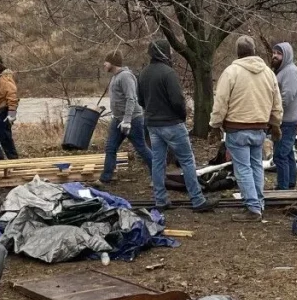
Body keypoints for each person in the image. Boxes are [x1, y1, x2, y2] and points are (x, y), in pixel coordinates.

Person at [137, 39, 218, 212]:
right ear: (165, 53)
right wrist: (181, 116)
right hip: (172, 123)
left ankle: (160, 200)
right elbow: (177, 100)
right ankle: (197, 200)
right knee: (187, 160)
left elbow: (140, 100)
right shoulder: (168, 73)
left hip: (153, 125)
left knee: (158, 162)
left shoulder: (143, 74)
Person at [210, 36, 283, 222]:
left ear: (238, 52)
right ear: (254, 50)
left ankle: (252, 208)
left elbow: (221, 102)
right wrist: (275, 124)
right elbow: (277, 103)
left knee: (242, 168)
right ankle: (259, 203)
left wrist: (215, 125)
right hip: (260, 128)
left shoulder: (231, 72)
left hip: (237, 128)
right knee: (256, 165)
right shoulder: (268, 73)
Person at [100, 50, 154, 183]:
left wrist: (127, 120)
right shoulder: (115, 77)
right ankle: (105, 179)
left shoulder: (125, 76)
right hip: (118, 119)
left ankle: (158, 175)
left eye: (106, 61)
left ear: (113, 62)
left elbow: (131, 99)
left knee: (141, 148)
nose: (104, 64)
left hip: (132, 119)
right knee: (110, 148)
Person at [271, 42, 297, 190]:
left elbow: (287, 96)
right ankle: (290, 182)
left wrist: (274, 113)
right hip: (285, 120)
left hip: (287, 121)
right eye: (274, 52)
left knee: (280, 155)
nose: (275, 56)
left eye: (279, 53)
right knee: (288, 153)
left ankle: (282, 188)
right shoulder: (283, 71)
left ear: (287, 55)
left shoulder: (290, 72)